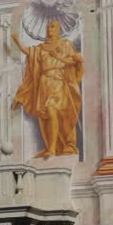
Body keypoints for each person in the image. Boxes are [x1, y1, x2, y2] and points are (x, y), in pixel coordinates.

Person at [12, 20, 83, 158]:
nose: (50, 29)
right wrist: (17, 41)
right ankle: (51, 147)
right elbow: (29, 53)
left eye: (53, 26)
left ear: (59, 29)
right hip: (44, 84)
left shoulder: (65, 44)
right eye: (48, 27)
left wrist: (59, 57)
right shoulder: (41, 48)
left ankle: (55, 147)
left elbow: (74, 61)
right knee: (45, 118)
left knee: (53, 112)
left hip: (58, 83)